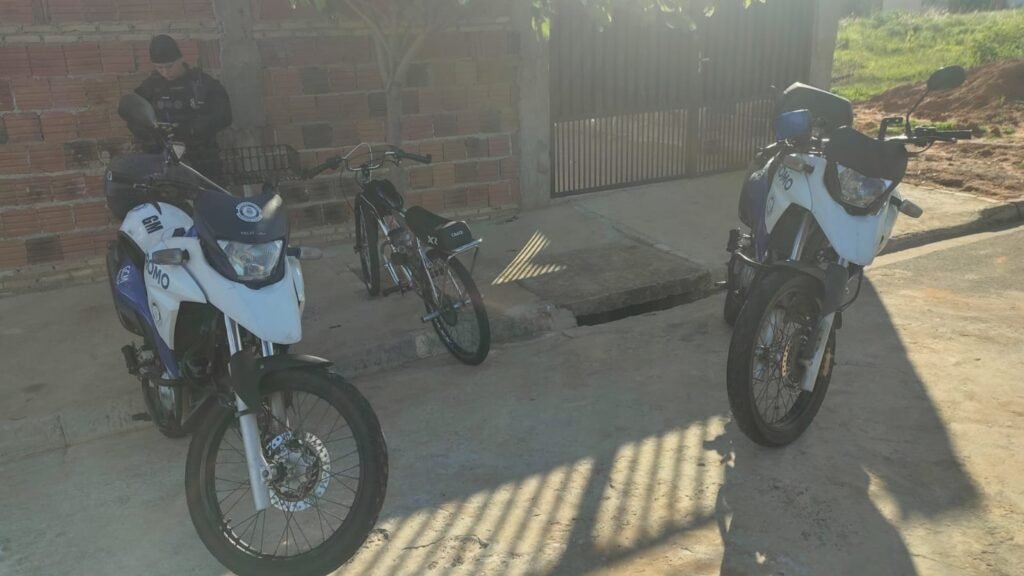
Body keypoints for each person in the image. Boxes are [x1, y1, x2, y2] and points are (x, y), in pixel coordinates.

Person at [125, 34, 233, 182]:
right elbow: (133, 115)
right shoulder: (150, 86)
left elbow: (224, 116)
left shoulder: (202, 83)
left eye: (169, 66)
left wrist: (192, 129)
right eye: (159, 67)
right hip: (162, 160)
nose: (165, 72)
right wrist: (153, 132)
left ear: (181, 59)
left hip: (201, 158)